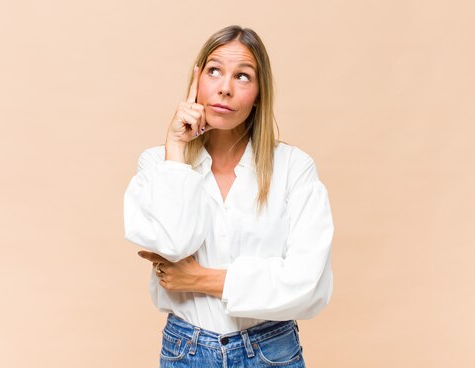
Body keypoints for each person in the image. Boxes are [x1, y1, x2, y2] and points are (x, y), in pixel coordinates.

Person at [123, 25, 333, 368]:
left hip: (271, 352)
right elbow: (173, 245)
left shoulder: (294, 168)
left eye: (243, 76)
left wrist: (201, 279)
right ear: (197, 79)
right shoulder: (158, 164)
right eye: (215, 71)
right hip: (186, 350)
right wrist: (176, 148)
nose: (225, 88)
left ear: (259, 93)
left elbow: (308, 285)